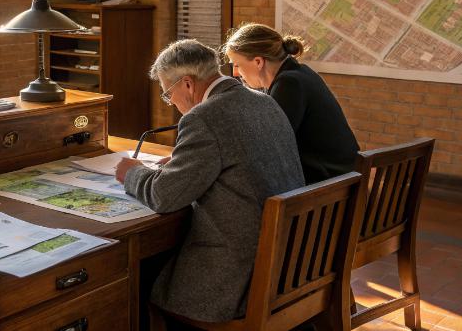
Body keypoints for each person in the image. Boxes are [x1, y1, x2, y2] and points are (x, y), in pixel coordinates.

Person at [115, 39, 305, 325]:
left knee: (136, 277)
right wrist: (183, 164)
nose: (172, 104)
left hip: (239, 277)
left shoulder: (204, 117)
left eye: (168, 95)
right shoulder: (264, 100)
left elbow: (164, 196)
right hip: (292, 261)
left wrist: (131, 172)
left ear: (188, 84)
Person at [223, 23, 360, 185]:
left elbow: (269, 145)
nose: (235, 73)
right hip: (343, 178)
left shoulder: (289, 83)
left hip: (329, 188)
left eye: (237, 64)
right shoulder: (300, 73)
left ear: (258, 62)